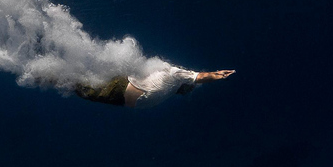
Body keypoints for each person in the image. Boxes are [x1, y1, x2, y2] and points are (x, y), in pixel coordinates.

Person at [75, 64, 235, 108]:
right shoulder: (175, 73)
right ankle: (65, 73)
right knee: (86, 90)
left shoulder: (171, 89)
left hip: (122, 97)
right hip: (123, 88)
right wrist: (219, 75)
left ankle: (65, 74)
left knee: (84, 91)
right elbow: (199, 77)